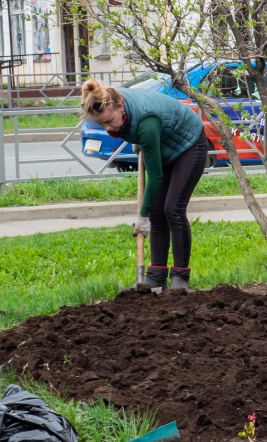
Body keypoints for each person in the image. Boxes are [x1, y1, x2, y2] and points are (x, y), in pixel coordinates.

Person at [80, 79, 207, 292]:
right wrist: (138, 138)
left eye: (110, 121)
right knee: (158, 211)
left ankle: (180, 277)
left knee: (173, 209)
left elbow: (155, 177)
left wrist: (142, 216)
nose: (108, 128)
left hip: (190, 143)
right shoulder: (109, 97)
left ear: (120, 106)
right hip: (165, 143)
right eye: (102, 125)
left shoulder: (146, 122)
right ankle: (156, 276)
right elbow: (133, 126)